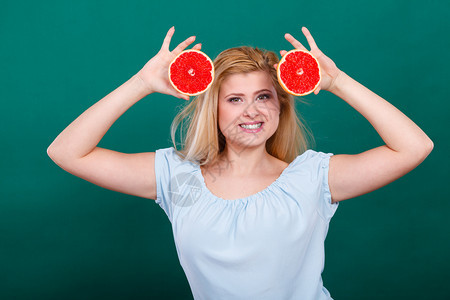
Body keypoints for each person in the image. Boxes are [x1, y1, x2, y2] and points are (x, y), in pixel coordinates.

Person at [47, 26, 433, 300]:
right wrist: (142, 83)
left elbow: (414, 147)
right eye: (234, 99)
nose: (251, 111)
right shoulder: (176, 177)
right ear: (212, 108)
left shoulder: (313, 178)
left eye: (264, 96)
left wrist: (337, 81)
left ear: (280, 106)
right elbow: (66, 152)